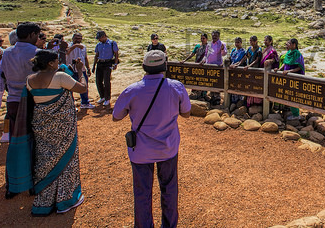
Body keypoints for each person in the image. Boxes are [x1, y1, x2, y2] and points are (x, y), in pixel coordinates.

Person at [112, 50, 191, 228]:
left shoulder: (131, 90)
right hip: (167, 148)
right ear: (165, 66)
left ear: (144, 67)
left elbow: (116, 116)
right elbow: (186, 113)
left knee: (142, 192)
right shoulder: (176, 87)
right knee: (169, 189)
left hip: (140, 151)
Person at [23, 50, 87, 215]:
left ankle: (44, 201)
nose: (59, 63)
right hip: (63, 126)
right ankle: (66, 200)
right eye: (57, 60)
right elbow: (82, 89)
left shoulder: (30, 80)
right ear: (51, 63)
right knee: (67, 159)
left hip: (41, 125)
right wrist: (80, 70)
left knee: (46, 159)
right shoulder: (60, 77)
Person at [0, 22, 40, 147]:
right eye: (37, 36)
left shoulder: (6, 52)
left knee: (16, 136)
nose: (38, 39)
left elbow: (2, 75)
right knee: (34, 137)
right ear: (32, 34)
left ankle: (17, 162)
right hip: (32, 100)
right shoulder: (37, 52)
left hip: (13, 99)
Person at [275, 38, 305, 119]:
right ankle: (292, 112)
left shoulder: (297, 54)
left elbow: (300, 67)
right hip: (287, 77)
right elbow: (285, 63)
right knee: (288, 94)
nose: (287, 45)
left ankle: (296, 115)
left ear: (294, 45)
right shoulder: (288, 53)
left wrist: (289, 71)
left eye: (289, 43)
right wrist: (279, 69)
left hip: (294, 78)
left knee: (293, 95)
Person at [233, 36, 262, 107]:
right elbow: (245, 57)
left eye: (252, 41)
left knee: (254, 86)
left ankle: (255, 103)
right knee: (248, 85)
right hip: (249, 70)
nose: (250, 42)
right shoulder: (249, 49)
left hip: (255, 69)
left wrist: (249, 66)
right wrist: (239, 64)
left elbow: (257, 60)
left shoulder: (259, 49)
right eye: (250, 41)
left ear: (256, 41)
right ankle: (247, 102)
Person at [67, 32, 93, 109]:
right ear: (72, 38)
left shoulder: (83, 46)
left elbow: (85, 57)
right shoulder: (69, 46)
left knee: (84, 86)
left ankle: (85, 102)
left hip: (81, 69)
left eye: (79, 38)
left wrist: (88, 68)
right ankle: (71, 104)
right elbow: (67, 52)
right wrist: (75, 46)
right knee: (70, 87)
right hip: (71, 70)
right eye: (76, 38)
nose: (78, 40)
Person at [92, 30, 119, 107]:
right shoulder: (98, 45)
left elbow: (116, 54)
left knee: (106, 81)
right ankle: (102, 96)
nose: (99, 40)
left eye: (100, 38)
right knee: (98, 81)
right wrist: (94, 66)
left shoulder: (112, 43)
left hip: (108, 63)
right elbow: (96, 55)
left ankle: (107, 98)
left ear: (104, 36)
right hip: (100, 63)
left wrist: (115, 63)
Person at [201, 31, 227, 105]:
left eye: (216, 36)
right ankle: (212, 97)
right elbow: (206, 54)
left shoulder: (222, 44)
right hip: (209, 66)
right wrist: (203, 61)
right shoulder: (209, 44)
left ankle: (217, 99)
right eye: (213, 36)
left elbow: (224, 54)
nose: (214, 37)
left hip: (217, 67)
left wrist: (222, 49)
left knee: (216, 82)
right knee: (210, 82)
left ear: (219, 36)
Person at [227, 37, 246, 110]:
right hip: (232, 70)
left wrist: (236, 65)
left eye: (238, 42)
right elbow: (230, 58)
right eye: (236, 42)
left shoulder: (243, 51)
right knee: (232, 85)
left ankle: (239, 103)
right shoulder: (233, 50)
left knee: (239, 85)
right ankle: (232, 101)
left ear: (241, 43)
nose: (236, 44)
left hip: (239, 71)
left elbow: (242, 60)